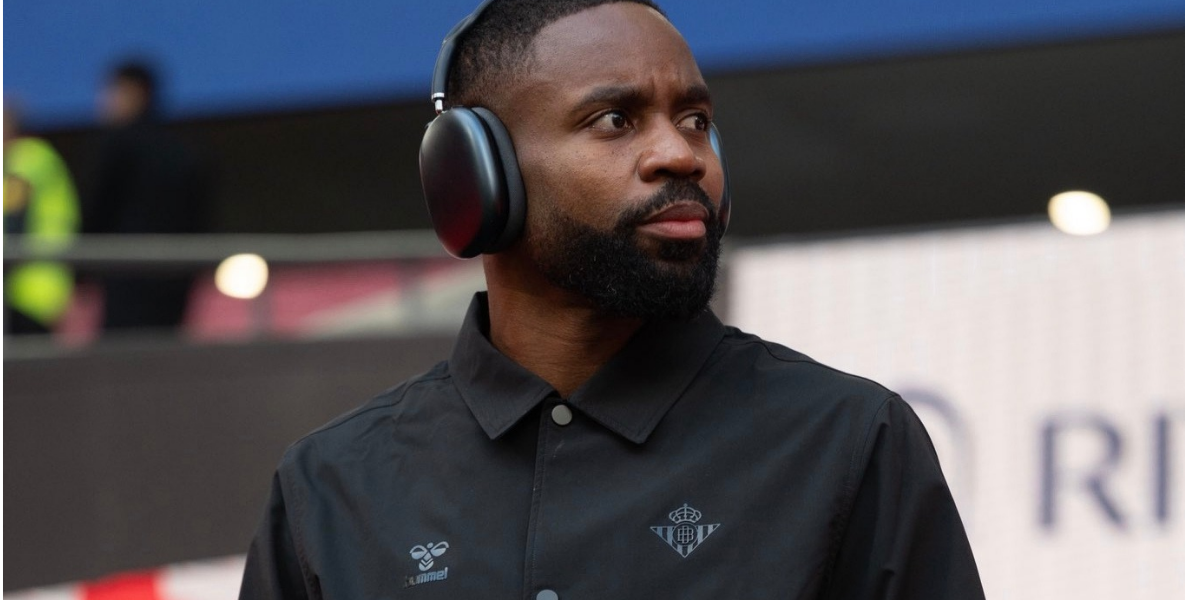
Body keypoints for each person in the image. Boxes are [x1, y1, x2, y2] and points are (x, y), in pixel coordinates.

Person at [240, 1, 985, 598]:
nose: (681, 153)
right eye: (615, 121)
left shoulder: (849, 442)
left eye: (695, 120)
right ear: (474, 177)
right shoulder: (332, 486)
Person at [83, 60, 210, 332]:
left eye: (112, 92)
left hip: (126, 277)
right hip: (176, 281)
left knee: (122, 361)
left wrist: (81, 269)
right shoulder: (184, 151)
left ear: (134, 92)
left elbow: (99, 210)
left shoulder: (118, 145)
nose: (104, 102)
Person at [4, 102, 81, 335]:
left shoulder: (25, 158)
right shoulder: (38, 157)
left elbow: (12, 223)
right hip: (43, 287)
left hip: (29, 288)